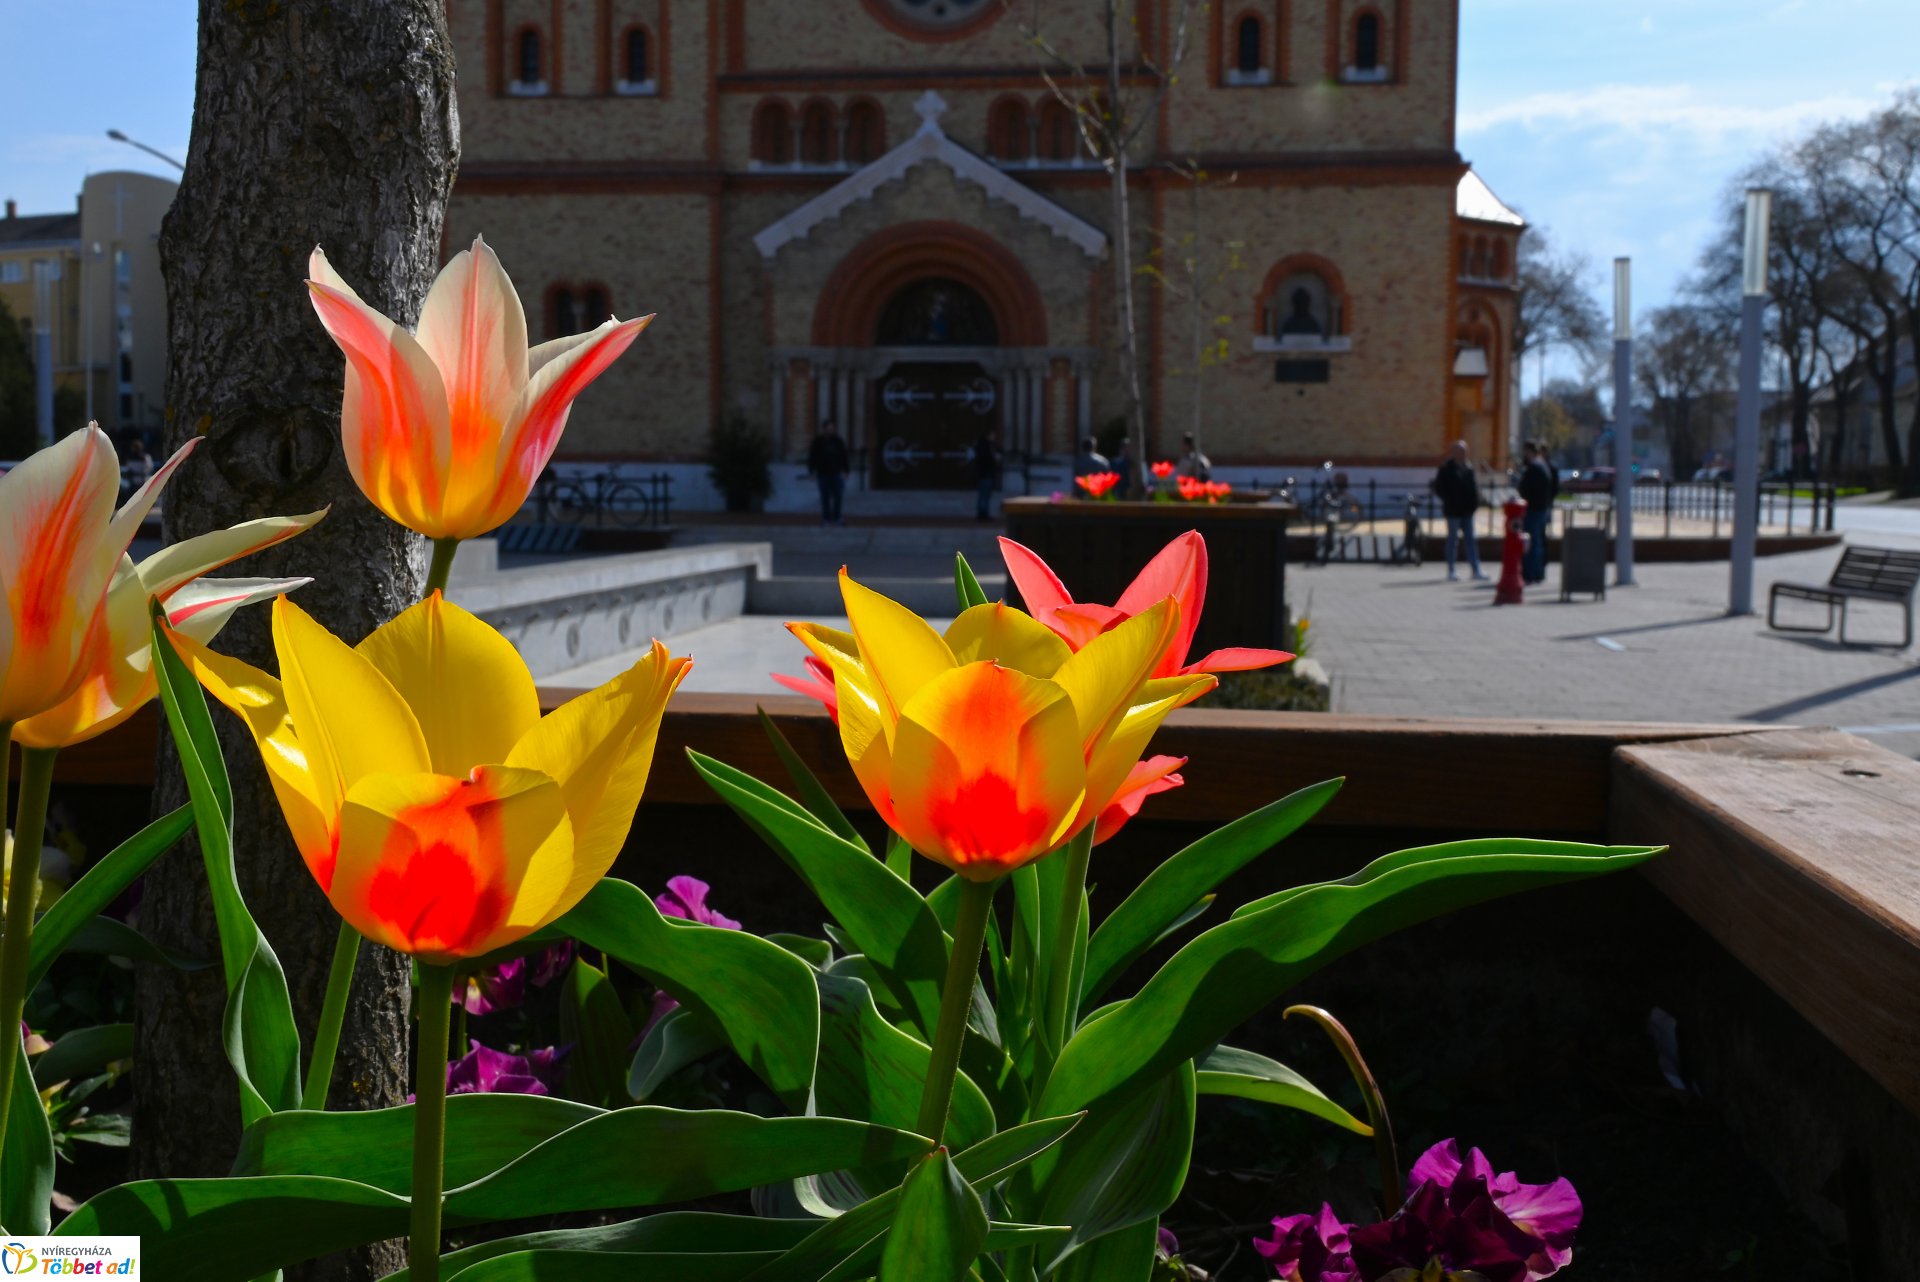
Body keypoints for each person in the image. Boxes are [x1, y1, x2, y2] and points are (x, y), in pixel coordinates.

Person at [1432, 440, 1487, 581]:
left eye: (1464, 451)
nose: (1463, 454)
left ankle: (1476, 570)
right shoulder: (1446, 468)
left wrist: (1474, 505)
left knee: (1471, 540)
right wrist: (1449, 500)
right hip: (1453, 511)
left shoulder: (1469, 468)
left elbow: (1473, 489)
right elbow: (1439, 487)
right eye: (1460, 451)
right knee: (1452, 540)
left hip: (1467, 511)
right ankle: (1451, 570)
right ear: (1453, 452)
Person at [1518, 439, 1556, 585]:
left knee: (1531, 543)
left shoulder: (1535, 468)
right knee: (1538, 542)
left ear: (1529, 451)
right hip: (1541, 508)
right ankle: (1537, 572)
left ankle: (1531, 573)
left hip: (1533, 509)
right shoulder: (1542, 466)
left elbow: (1528, 488)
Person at [806, 420, 849, 526]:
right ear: (824, 429)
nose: (830, 430)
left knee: (838, 496)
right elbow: (813, 457)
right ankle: (826, 518)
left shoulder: (838, 441)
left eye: (832, 428)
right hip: (823, 473)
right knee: (825, 497)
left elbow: (843, 456)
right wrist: (812, 471)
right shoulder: (818, 442)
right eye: (829, 428)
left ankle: (837, 517)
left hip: (836, 473)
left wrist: (846, 470)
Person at [973, 427, 1000, 521]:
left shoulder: (986, 445)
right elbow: (986, 459)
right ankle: (983, 514)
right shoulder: (986, 446)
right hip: (986, 473)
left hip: (985, 473)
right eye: (993, 434)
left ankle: (983, 512)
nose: (994, 436)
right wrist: (994, 458)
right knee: (984, 494)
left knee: (984, 494)